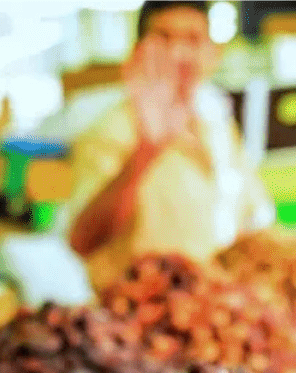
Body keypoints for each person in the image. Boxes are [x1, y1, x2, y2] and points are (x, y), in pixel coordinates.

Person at [62, 0, 275, 292]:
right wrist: (147, 150)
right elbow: (82, 242)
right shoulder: (110, 131)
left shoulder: (217, 123)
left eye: (193, 39)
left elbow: (253, 215)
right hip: (137, 317)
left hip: (210, 306)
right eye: (164, 38)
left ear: (212, 53)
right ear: (139, 52)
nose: (179, 53)